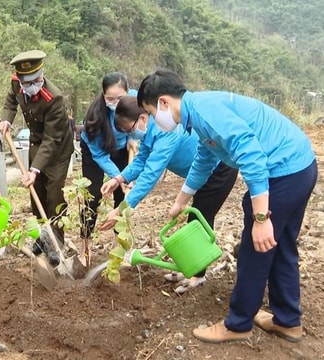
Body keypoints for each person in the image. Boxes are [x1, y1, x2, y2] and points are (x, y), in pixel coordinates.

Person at [137, 68, 317, 343]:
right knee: (280, 246)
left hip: (285, 171)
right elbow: (204, 160)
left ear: (163, 102)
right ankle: (287, 321)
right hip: (299, 166)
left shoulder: (206, 111)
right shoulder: (198, 115)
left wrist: (260, 217)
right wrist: (180, 201)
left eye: (151, 112)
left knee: (255, 249)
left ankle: (238, 323)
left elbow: (252, 156)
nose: (153, 120)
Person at [98, 96, 238, 293]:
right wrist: (119, 179)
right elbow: (141, 161)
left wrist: (122, 209)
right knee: (194, 219)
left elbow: (150, 174)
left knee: (199, 218)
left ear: (142, 119)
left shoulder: (166, 132)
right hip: (201, 173)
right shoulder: (149, 133)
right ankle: (190, 268)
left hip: (218, 169)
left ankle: (198, 275)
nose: (132, 133)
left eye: (130, 129)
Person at [0, 50, 74, 266]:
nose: (33, 85)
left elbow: (52, 139)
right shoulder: (16, 84)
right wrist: (6, 120)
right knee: (36, 194)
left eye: (37, 80)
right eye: (28, 82)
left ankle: (56, 243)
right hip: (36, 143)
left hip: (57, 148)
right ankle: (43, 235)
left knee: (54, 196)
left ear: (42, 75)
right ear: (20, 80)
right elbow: (11, 101)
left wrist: (34, 169)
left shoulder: (54, 98)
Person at [79, 72, 137, 266]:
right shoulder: (94, 119)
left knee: (123, 198)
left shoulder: (134, 102)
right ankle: (85, 249)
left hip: (122, 150)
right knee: (92, 195)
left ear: (127, 93)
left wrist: (131, 139)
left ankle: (117, 248)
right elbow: (101, 157)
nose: (115, 102)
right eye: (109, 99)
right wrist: (118, 178)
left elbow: (137, 125)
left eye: (120, 98)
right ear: (103, 96)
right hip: (97, 152)